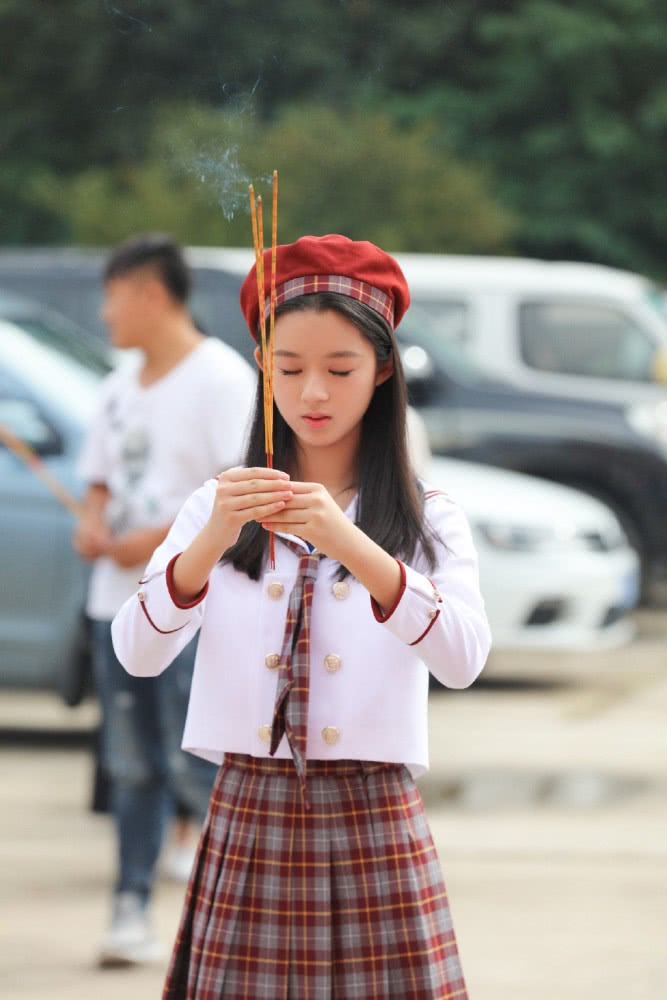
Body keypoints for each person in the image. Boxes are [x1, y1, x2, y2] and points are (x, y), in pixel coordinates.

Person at [111, 233, 492, 997]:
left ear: (383, 371)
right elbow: (136, 653)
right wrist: (211, 539)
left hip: (373, 810)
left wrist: (350, 543)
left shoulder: (428, 517)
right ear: (262, 369)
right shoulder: (217, 507)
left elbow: (463, 659)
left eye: (339, 369)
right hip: (250, 803)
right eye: (288, 369)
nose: (312, 393)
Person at [72, 233, 257, 967]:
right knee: (130, 764)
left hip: (194, 611)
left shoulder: (221, 379)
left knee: (195, 765)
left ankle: (229, 921)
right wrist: (93, 522)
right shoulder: (118, 385)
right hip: (114, 607)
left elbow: (235, 492)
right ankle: (130, 908)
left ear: (151, 293)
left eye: (112, 294)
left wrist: (150, 539)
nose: (105, 311)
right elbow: (97, 478)